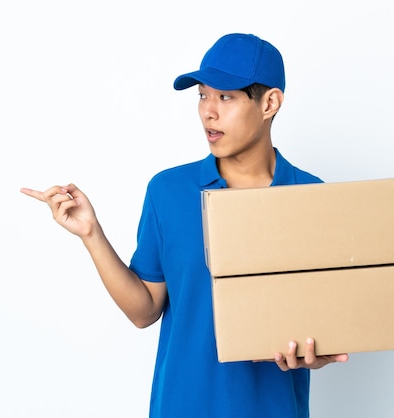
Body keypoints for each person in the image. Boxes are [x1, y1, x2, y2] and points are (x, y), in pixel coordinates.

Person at [21, 33, 348, 418]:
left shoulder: (313, 197)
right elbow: (144, 311)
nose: (208, 111)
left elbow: (327, 321)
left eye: (225, 96)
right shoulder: (168, 191)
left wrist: (318, 353)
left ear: (270, 103)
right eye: (202, 95)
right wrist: (91, 234)